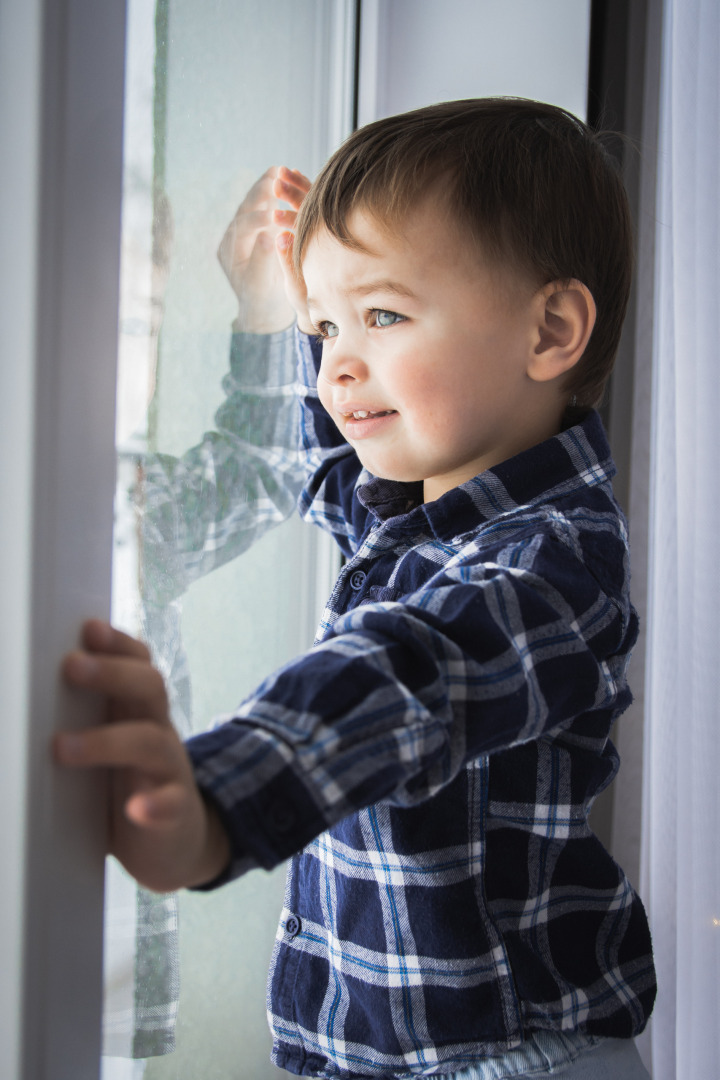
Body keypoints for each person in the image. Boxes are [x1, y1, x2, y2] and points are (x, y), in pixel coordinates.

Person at [56, 100, 656, 1079]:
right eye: (324, 323)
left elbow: (408, 674)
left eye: (381, 315)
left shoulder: (552, 565)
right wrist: (265, 317)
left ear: (551, 330)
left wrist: (216, 801)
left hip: (507, 1061)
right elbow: (303, 465)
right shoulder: (418, 514)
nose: (337, 362)